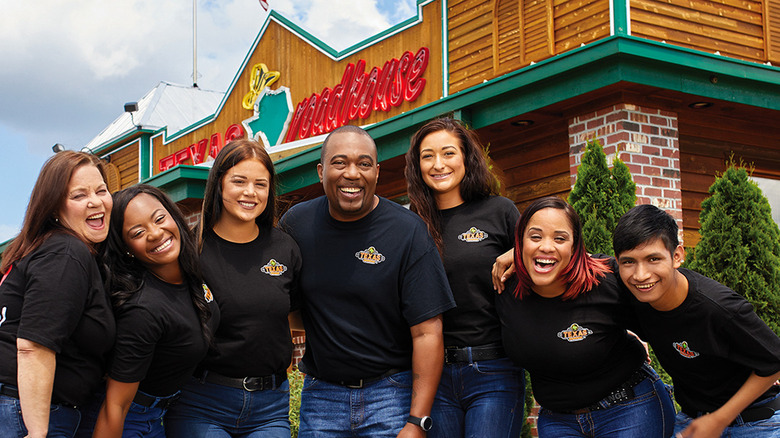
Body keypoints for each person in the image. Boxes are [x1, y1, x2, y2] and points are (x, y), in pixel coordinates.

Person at [279, 125, 456, 437]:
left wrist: (417, 421)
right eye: (339, 163)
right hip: (321, 397)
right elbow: (283, 304)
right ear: (321, 171)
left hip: (390, 395)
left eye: (363, 164)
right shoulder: (296, 225)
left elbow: (428, 333)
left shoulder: (408, 231)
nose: (352, 173)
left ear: (376, 172)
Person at [495, 196, 675, 437]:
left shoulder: (607, 281)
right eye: (535, 236)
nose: (546, 246)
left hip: (630, 408)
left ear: (575, 246)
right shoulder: (504, 287)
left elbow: (668, 320)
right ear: (520, 242)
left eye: (560, 238)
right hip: (558, 420)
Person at [165, 139, 301, 437]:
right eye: (239, 181)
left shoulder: (285, 247)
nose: (250, 192)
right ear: (219, 184)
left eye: (260, 184)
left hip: (270, 407)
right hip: (201, 403)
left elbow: (293, 316)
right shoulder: (190, 249)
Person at [613, 204, 780, 437]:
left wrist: (718, 420)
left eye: (653, 259)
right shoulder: (628, 286)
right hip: (694, 418)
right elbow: (582, 261)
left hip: (755, 421)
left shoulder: (719, 309)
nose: (641, 275)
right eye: (628, 262)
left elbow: (774, 361)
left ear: (677, 256)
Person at [404, 117, 524, 437]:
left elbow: (548, 261)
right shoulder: (409, 225)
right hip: (433, 375)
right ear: (417, 165)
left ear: (466, 158)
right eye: (427, 156)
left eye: (448, 153)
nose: (438, 164)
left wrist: (521, 251)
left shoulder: (500, 211)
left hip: (493, 368)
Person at [0, 151, 116, 438]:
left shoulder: (44, 249)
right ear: (53, 207)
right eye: (79, 195)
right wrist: (37, 432)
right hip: (28, 414)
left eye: (101, 190)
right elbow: (34, 346)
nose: (95, 201)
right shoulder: (65, 253)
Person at [93, 184, 219, 437]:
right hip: (134, 420)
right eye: (138, 232)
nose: (155, 233)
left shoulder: (191, 274)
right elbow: (116, 406)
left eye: (159, 218)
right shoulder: (143, 310)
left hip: (172, 410)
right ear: (126, 247)